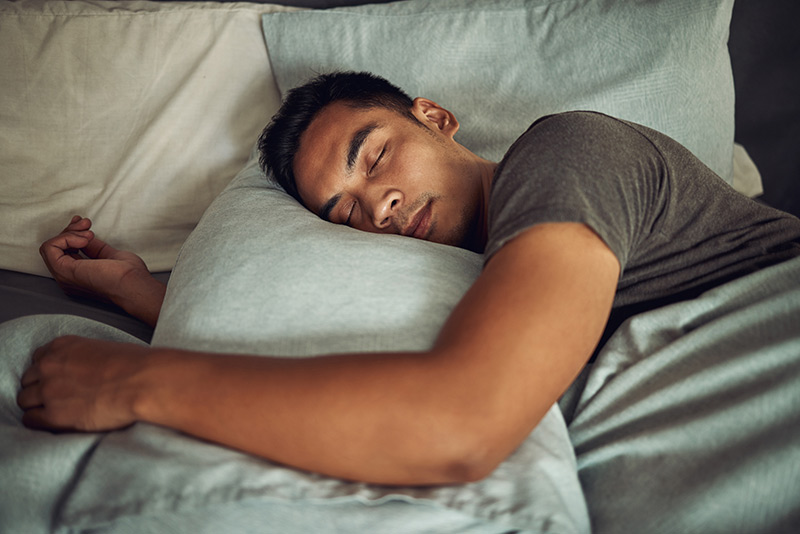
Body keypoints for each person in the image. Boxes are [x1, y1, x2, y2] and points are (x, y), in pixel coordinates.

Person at [17, 72, 800, 486]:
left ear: (436, 117)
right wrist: (146, 296)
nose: (379, 206)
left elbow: (460, 426)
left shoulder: (563, 154)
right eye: (346, 212)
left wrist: (138, 382)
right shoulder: (474, 267)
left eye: (376, 155)